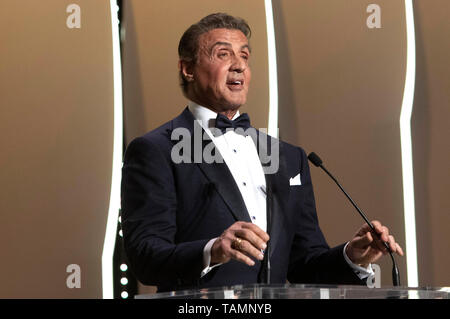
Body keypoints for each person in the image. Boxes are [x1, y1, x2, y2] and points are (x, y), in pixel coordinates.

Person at [120, 13, 403, 292]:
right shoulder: (156, 150)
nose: (239, 66)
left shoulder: (287, 157)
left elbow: (303, 263)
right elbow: (146, 256)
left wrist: (351, 257)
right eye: (223, 54)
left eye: (244, 56)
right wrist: (212, 250)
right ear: (188, 69)